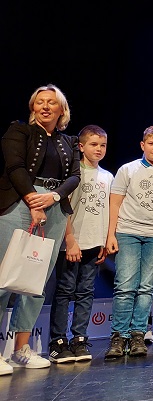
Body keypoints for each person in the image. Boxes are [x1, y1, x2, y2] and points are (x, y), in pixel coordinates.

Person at [0, 84, 80, 373]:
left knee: (36, 280)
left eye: (51, 102)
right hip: (21, 203)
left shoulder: (70, 141)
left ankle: (21, 349)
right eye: (40, 102)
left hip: (54, 207)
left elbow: (74, 176)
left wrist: (54, 197)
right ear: (33, 108)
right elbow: (15, 167)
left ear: (62, 109)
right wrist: (33, 200)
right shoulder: (19, 131)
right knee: (4, 277)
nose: (45, 106)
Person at [104, 125, 153, 359]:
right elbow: (115, 203)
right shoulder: (127, 169)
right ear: (143, 145)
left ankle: (138, 333)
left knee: (146, 287)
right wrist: (110, 234)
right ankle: (119, 335)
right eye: (151, 143)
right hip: (128, 231)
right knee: (125, 285)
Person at [47, 124, 113, 364]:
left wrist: (104, 240)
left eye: (103, 145)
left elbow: (106, 210)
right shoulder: (73, 175)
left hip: (94, 243)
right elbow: (64, 208)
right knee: (65, 290)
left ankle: (79, 339)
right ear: (81, 146)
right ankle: (58, 341)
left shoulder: (108, 176)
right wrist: (70, 239)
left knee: (86, 292)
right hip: (71, 243)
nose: (99, 149)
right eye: (93, 144)